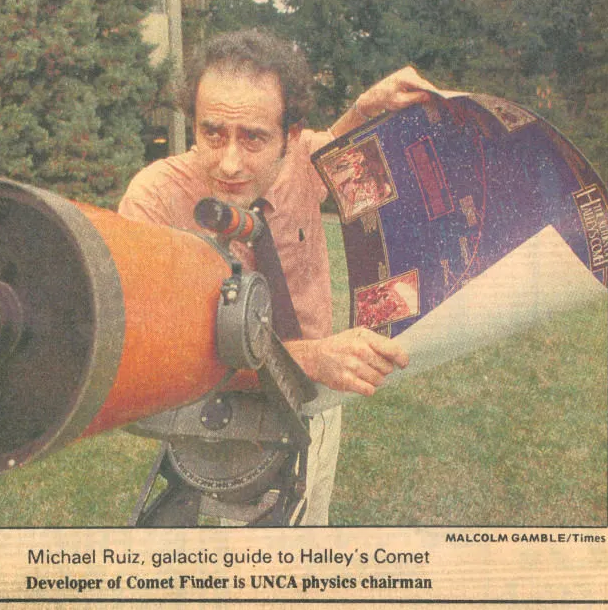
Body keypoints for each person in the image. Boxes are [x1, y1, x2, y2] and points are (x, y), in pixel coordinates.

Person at [118, 29, 437, 525]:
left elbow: (337, 149)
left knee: (307, 524)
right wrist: (309, 359)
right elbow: (156, 356)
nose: (229, 162)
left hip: (320, 391)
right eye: (212, 133)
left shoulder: (303, 162)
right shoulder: (153, 201)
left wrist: (363, 107)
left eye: (253, 138)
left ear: (290, 138)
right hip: (222, 414)